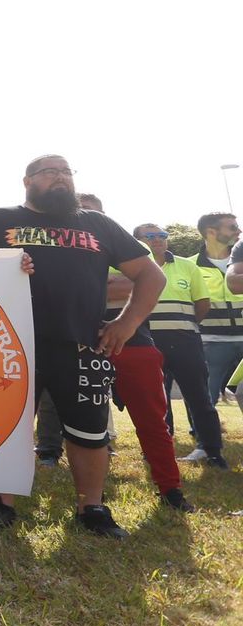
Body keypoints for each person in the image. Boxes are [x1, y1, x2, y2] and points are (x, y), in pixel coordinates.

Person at [0, 155, 163, 538]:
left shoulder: (97, 224)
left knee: (88, 430)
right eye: (49, 172)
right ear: (27, 181)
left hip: (82, 344)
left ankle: (92, 507)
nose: (60, 178)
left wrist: (128, 322)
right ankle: (1, 501)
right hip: (8, 344)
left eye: (66, 172)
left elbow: (150, 273)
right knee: (6, 425)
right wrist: (1, 268)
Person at [77, 196, 192, 513]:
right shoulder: (58, 247)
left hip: (135, 344)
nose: (86, 216)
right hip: (76, 346)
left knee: (153, 423)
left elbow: (143, 282)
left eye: (93, 211)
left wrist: (84, 286)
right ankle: (89, 501)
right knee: (81, 426)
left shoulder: (118, 242)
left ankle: (171, 489)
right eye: (79, 209)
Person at [133, 223, 227, 467]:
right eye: (150, 236)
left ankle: (212, 450)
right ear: (137, 241)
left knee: (199, 397)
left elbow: (202, 302)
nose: (158, 240)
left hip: (186, 341)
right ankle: (158, 451)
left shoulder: (187, 265)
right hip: (147, 342)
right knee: (154, 401)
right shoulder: (130, 267)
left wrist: (183, 325)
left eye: (162, 235)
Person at [189, 212, 243, 421]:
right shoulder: (189, 265)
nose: (238, 231)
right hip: (211, 341)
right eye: (232, 227)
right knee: (205, 395)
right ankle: (204, 442)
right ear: (211, 232)